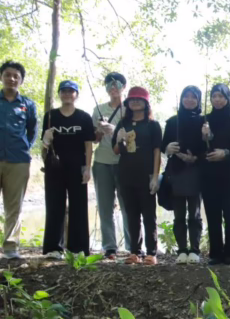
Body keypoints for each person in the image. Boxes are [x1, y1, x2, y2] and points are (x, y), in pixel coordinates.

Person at [40, 81, 96, 259]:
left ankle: (78, 249)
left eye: (71, 91)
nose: (67, 94)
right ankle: (53, 248)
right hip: (55, 168)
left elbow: (89, 146)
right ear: (59, 94)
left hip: (77, 167)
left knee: (79, 206)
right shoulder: (50, 116)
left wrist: (88, 168)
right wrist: (46, 140)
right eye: (63, 91)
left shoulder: (84, 117)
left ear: (76, 95)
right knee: (54, 205)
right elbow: (45, 146)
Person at [112, 87, 162, 265]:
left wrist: (155, 176)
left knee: (149, 215)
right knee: (131, 214)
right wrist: (119, 139)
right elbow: (116, 151)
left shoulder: (153, 125)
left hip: (146, 174)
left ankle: (151, 252)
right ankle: (134, 251)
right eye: (132, 100)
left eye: (139, 100)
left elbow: (157, 151)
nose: (135, 102)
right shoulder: (122, 124)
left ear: (146, 103)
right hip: (126, 173)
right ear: (127, 103)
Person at [162, 86, 205, 265]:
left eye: (193, 97)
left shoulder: (204, 121)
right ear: (181, 99)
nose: (189, 100)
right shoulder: (173, 121)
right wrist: (170, 150)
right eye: (185, 96)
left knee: (194, 213)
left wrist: (194, 157)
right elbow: (164, 146)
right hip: (177, 171)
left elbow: (207, 147)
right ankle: (181, 249)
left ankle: (195, 249)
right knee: (179, 213)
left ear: (198, 100)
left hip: (196, 171)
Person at [201, 84, 230, 265]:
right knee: (212, 213)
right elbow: (196, 149)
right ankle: (215, 252)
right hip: (209, 173)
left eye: (221, 96)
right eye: (214, 96)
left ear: (227, 98)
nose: (217, 99)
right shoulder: (204, 120)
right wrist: (204, 138)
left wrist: (225, 153)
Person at [0, 61, 37, 260]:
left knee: (14, 206)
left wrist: (22, 147)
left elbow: (32, 131)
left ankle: (10, 247)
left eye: (16, 76)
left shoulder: (28, 105)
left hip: (18, 160)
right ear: (1, 77)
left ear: (20, 80)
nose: (11, 79)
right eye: (8, 75)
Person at [91, 72, 131, 259]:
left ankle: (133, 246)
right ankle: (110, 247)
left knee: (127, 206)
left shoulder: (130, 109)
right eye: (109, 85)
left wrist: (116, 131)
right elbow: (94, 140)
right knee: (105, 206)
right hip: (102, 162)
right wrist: (99, 130)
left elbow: (135, 139)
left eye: (117, 85)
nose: (113, 88)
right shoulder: (98, 110)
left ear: (123, 87)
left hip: (124, 164)